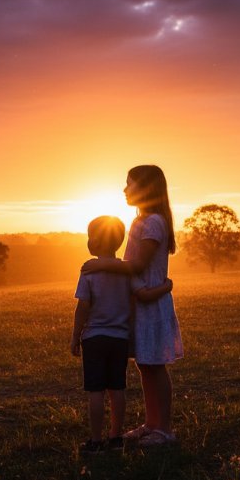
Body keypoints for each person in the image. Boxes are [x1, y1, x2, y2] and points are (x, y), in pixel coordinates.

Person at [82, 165, 184, 447]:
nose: (124, 190)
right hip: (142, 301)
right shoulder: (142, 222)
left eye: (129, 184)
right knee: (145, 364)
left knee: (155, 366)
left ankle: (163, 430)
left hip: (151, 303)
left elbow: (138, 265)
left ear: (146, 188)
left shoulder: (152, 222)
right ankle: (151, 424)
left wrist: (103, 263)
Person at [71, 215, 172, 453]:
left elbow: (83, 307)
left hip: (94, 339)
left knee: (96, 391)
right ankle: (116, 438)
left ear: (92, 242)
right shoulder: (126, 272)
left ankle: (96, 441)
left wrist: (75, 336)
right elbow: (145, 295)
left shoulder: (89, 271)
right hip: (120, 340)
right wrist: (167, 287)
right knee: (117, 388)